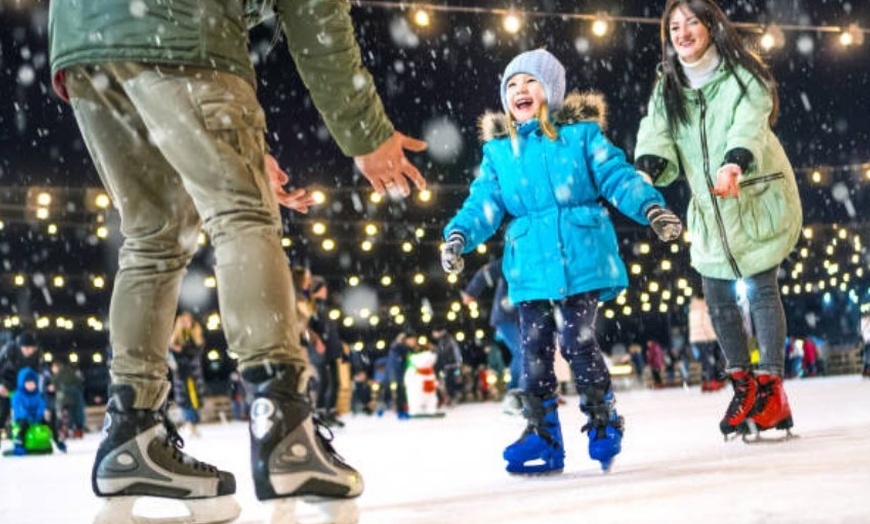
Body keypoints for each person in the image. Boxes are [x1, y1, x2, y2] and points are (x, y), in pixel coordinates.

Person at [48, 2, 427, 521]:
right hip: (178, 25)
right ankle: (283, 424)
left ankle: (131, 433)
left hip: (85, 36)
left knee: (153, 235)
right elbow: (315, 12)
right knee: (243, 214)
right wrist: (365, 132)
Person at [440, 49, 682, 474]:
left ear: (550, 90)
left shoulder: (582, 136)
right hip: (530, 262)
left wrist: (650, 208)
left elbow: (618, 177)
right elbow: (483, 203)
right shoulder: (500, 152)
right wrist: (459, 235)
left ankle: (603, 418)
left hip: (581, 255)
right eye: (511, 85)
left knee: (576, 341)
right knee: (533, 350)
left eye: (530, 81)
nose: (520, 90)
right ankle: (543, 434)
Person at [635, 0, 802, 440]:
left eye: (692, 22)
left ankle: (770, 387)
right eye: (674, 25)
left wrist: (734, 163)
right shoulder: (667, 88)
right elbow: (656, 131)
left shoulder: (741, 75)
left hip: (751, 192)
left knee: (762, 288)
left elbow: (749, 122)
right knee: (717, 295)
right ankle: (744, 386)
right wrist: (645, 170)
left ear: (711, 26)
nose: (683, 31)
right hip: (710, 209)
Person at [461, 258, 523, 412]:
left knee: (530, 352)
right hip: (506, 316)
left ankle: (530, 392)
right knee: (522, 351)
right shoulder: (513, 259)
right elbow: (486, 272)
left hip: (524, 315)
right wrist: (470, 292)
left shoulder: (539, 261)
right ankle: (514, 394)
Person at [308, 276, 347, 427]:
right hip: (320, 351)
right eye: (323, 288)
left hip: (330, 349)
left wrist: (338, 346)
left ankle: (330, 412)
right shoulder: (311, 307)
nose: (326, 291)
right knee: (323, 382)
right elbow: (307, 328)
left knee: (335, 382)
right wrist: (316, 341)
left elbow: (330, 329)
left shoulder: (324, 307)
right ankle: (320, 413)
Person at [168, 311, 207, 437]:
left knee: (194, 399)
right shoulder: (175, 337)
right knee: (185, 400)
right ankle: (190, 423)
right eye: (183, 320)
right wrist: (177, 351)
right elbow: (172, 354)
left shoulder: (196, 336)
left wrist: (182, 350)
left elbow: (196, 352)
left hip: (193, 373)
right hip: (181, 373)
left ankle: (193, 423)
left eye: (187, 320)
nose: (185, 323)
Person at [10, 367, 66, 455]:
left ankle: (57, 440)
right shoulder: (17, 395)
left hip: (36, 416)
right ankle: (19, 443)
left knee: (50, 424)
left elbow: (41, 405)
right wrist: (26, 416)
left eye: (33, 383)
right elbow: (18, 407)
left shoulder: (37, 394)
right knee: (23, 425)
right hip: (22, 417)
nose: (31, 386)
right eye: (28, 383)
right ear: (22, 383)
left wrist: (39, 415)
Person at [0, 331, 42, 447]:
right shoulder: (10, 351)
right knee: (3, 410)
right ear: (21, 346)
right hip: (5, 383)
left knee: (24, 411)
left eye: (32, 349)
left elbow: (35, 373)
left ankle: (22, 436)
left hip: (22, 387)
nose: (29, 352)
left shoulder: (35, 355)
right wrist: (1, 385)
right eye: (27, 348)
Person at [689, 294, 726, 392]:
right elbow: (706, 324)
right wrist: (714, 337)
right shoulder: (703, 308)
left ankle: (705, 382)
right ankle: (713, 382)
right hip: (705, 338)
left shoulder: (693, 309)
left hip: (695, 339)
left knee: (705, 362)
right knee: (711, 361)